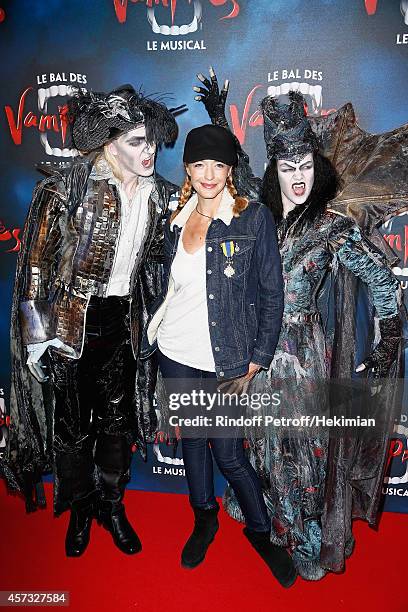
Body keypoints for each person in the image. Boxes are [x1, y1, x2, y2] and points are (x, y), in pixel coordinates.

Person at [194, 71, 404, 580]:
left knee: (305, 449)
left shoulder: (332, 226)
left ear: (318, 167)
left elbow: (382, 282)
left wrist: (385, 343)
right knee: (262, 443)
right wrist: (219, 118)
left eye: (306, 165)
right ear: (276, 170)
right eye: (288, 167)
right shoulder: (258, 211)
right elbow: (236, 170)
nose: (298, 177)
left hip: (304, 356)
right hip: (252, 354)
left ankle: (304, 536)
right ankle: (268, 522)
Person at [3, 85, 180, 557]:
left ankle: (112, 504)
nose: (149, 151)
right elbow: (37, 265)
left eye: (151, 141)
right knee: (72, 428)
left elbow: (221, 196)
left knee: (117, 425)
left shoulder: (161, 196)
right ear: (108, 144)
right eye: (135, 141)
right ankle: (80, 508)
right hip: (71, 323)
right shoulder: (67, 187)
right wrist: (39, 339)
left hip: (123, 322)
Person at [141, 124, 297, 588]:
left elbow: (272, 294)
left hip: (228, 357)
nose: (209, 174)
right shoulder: (174, 216)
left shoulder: (253, 218)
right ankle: (204, 516)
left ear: (230, 169)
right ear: (187, 168)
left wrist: (259, 355)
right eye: (199, 164)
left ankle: (261, 533)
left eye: (219, 164)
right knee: (192, 442)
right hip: (176, 349)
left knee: (229, 454)